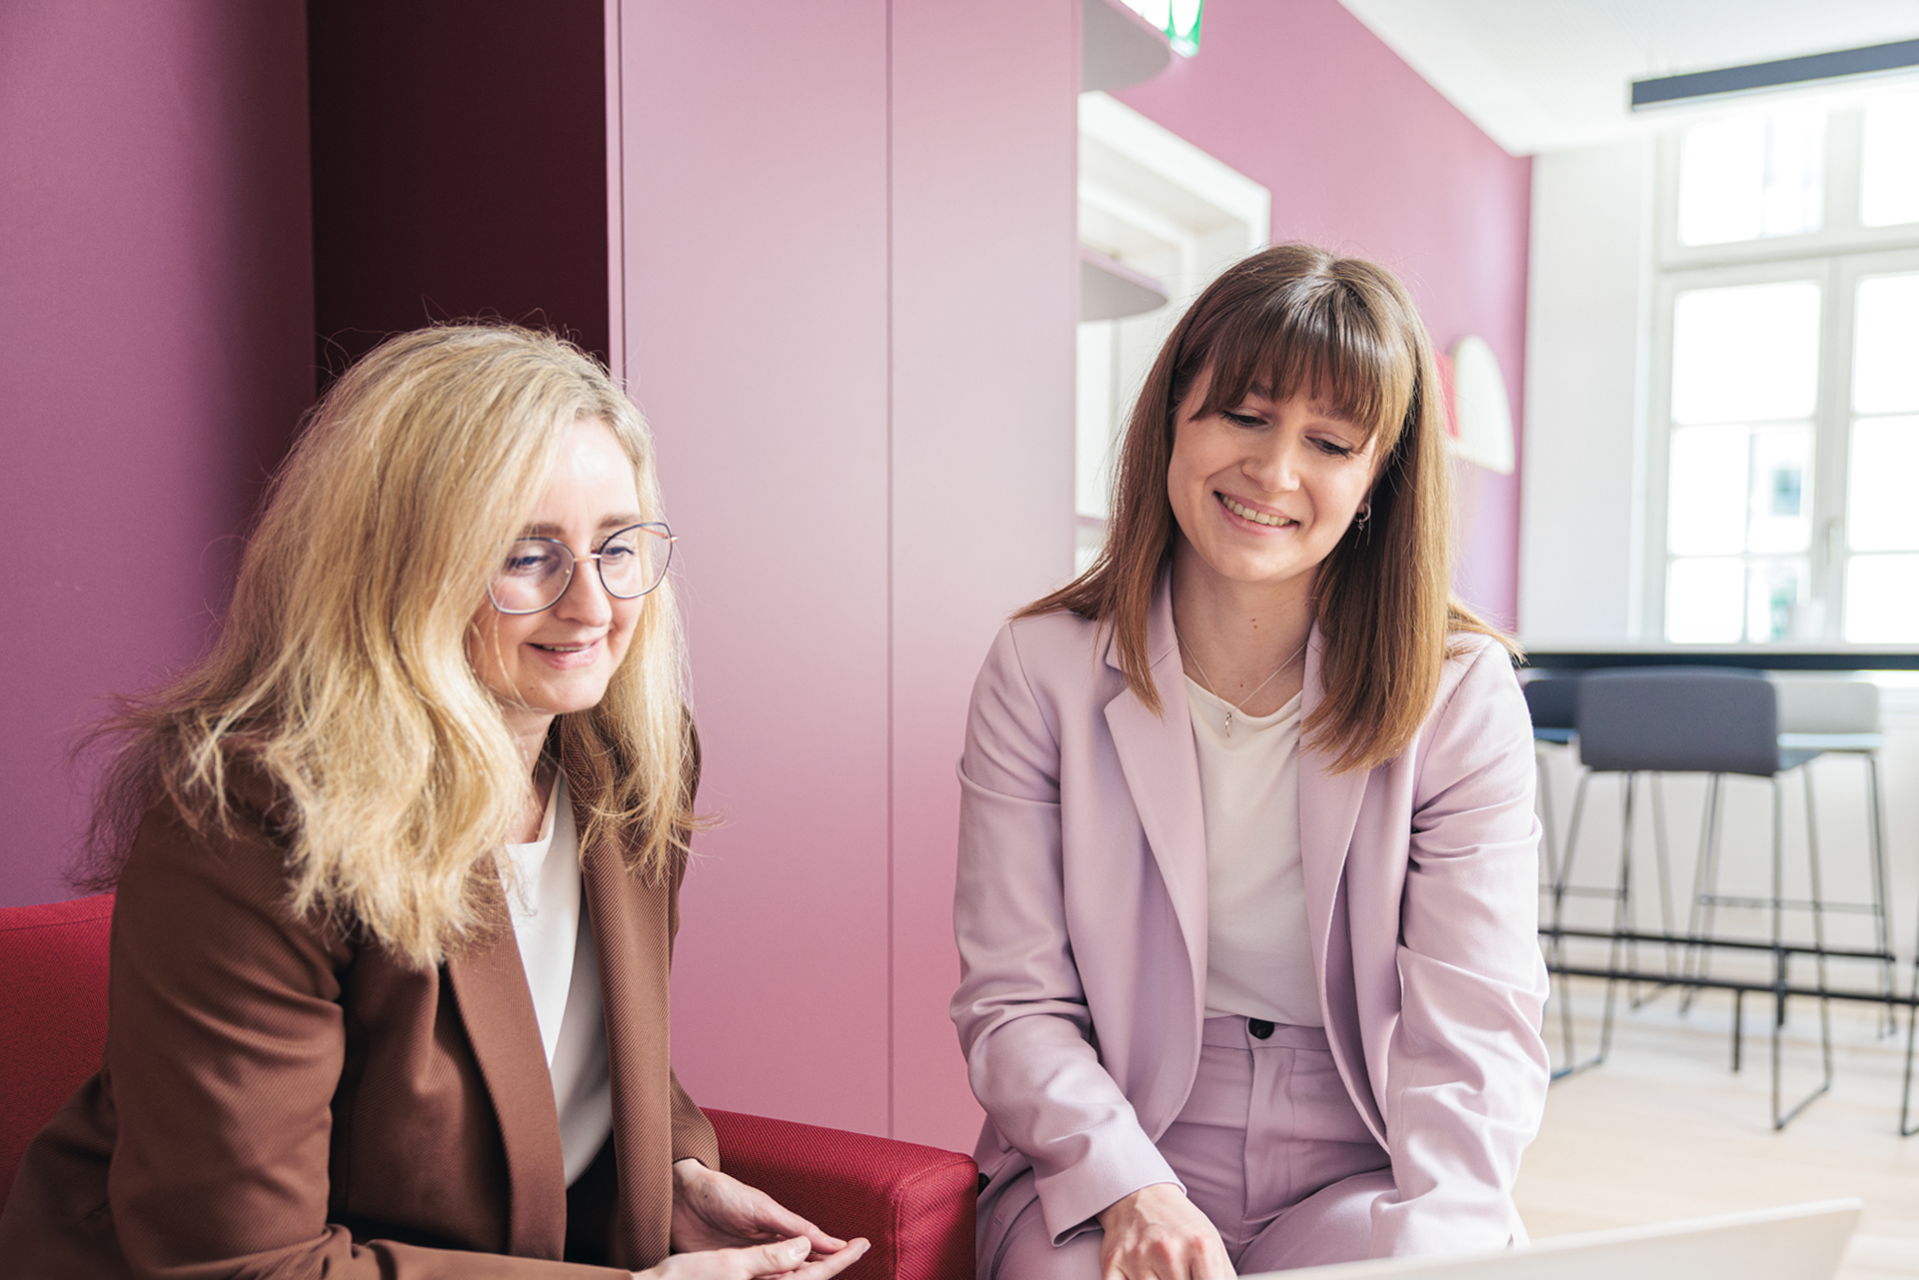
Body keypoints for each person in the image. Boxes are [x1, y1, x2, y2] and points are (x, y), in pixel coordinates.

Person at [0, 325, 870, 1279]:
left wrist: (676, 1175)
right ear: (398, 565)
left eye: (617, 545)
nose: (592, 606)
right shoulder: (247, 816)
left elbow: (568, 1034)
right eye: (525, 556)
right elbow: (245, 1265)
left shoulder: (628, 761)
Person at [952, 245, 1550, 1279]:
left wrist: (1438, 1249)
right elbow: (1013, 1002)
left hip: (1363, 1155)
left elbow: (1476, 1029)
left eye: (1327, 441)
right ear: (1174, 415)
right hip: (1109, 1139)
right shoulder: (1035, 666)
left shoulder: (1459, 690)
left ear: (1374, 480)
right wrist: (1133, 1187)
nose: (1272, 472)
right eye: (1242, 413)